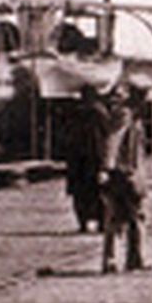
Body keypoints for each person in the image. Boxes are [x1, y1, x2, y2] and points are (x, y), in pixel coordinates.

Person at [99, 84, 148, 273]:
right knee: (125, 216)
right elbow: (113, 140)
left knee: (127, 216)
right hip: (124, 172)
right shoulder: (125, 115)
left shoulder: (130, 116)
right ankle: (119, 259)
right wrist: (106, 168)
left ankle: (129, 258)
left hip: (129, 172)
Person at [65, 85, 109, 232]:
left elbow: (68, 136)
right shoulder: (100, 112)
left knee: (81, 193)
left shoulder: (75, 113)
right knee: (99, 191)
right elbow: (106, 135)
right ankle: (102, 223)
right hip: (95, 157)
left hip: (78, 158)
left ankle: (84, 223)